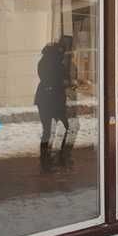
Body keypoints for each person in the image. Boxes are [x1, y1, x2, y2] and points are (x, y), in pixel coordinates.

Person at [34, 42, 70, 173]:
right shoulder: (56, 64)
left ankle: (46, 159)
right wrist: (66, 83)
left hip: (45, 100)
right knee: (62, 128)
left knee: (48, 130)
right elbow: (60, 80)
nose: (63, 55)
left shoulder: (44, 62)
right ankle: (55, 157)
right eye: (62, 53)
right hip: (52, 100)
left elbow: (53, 79)